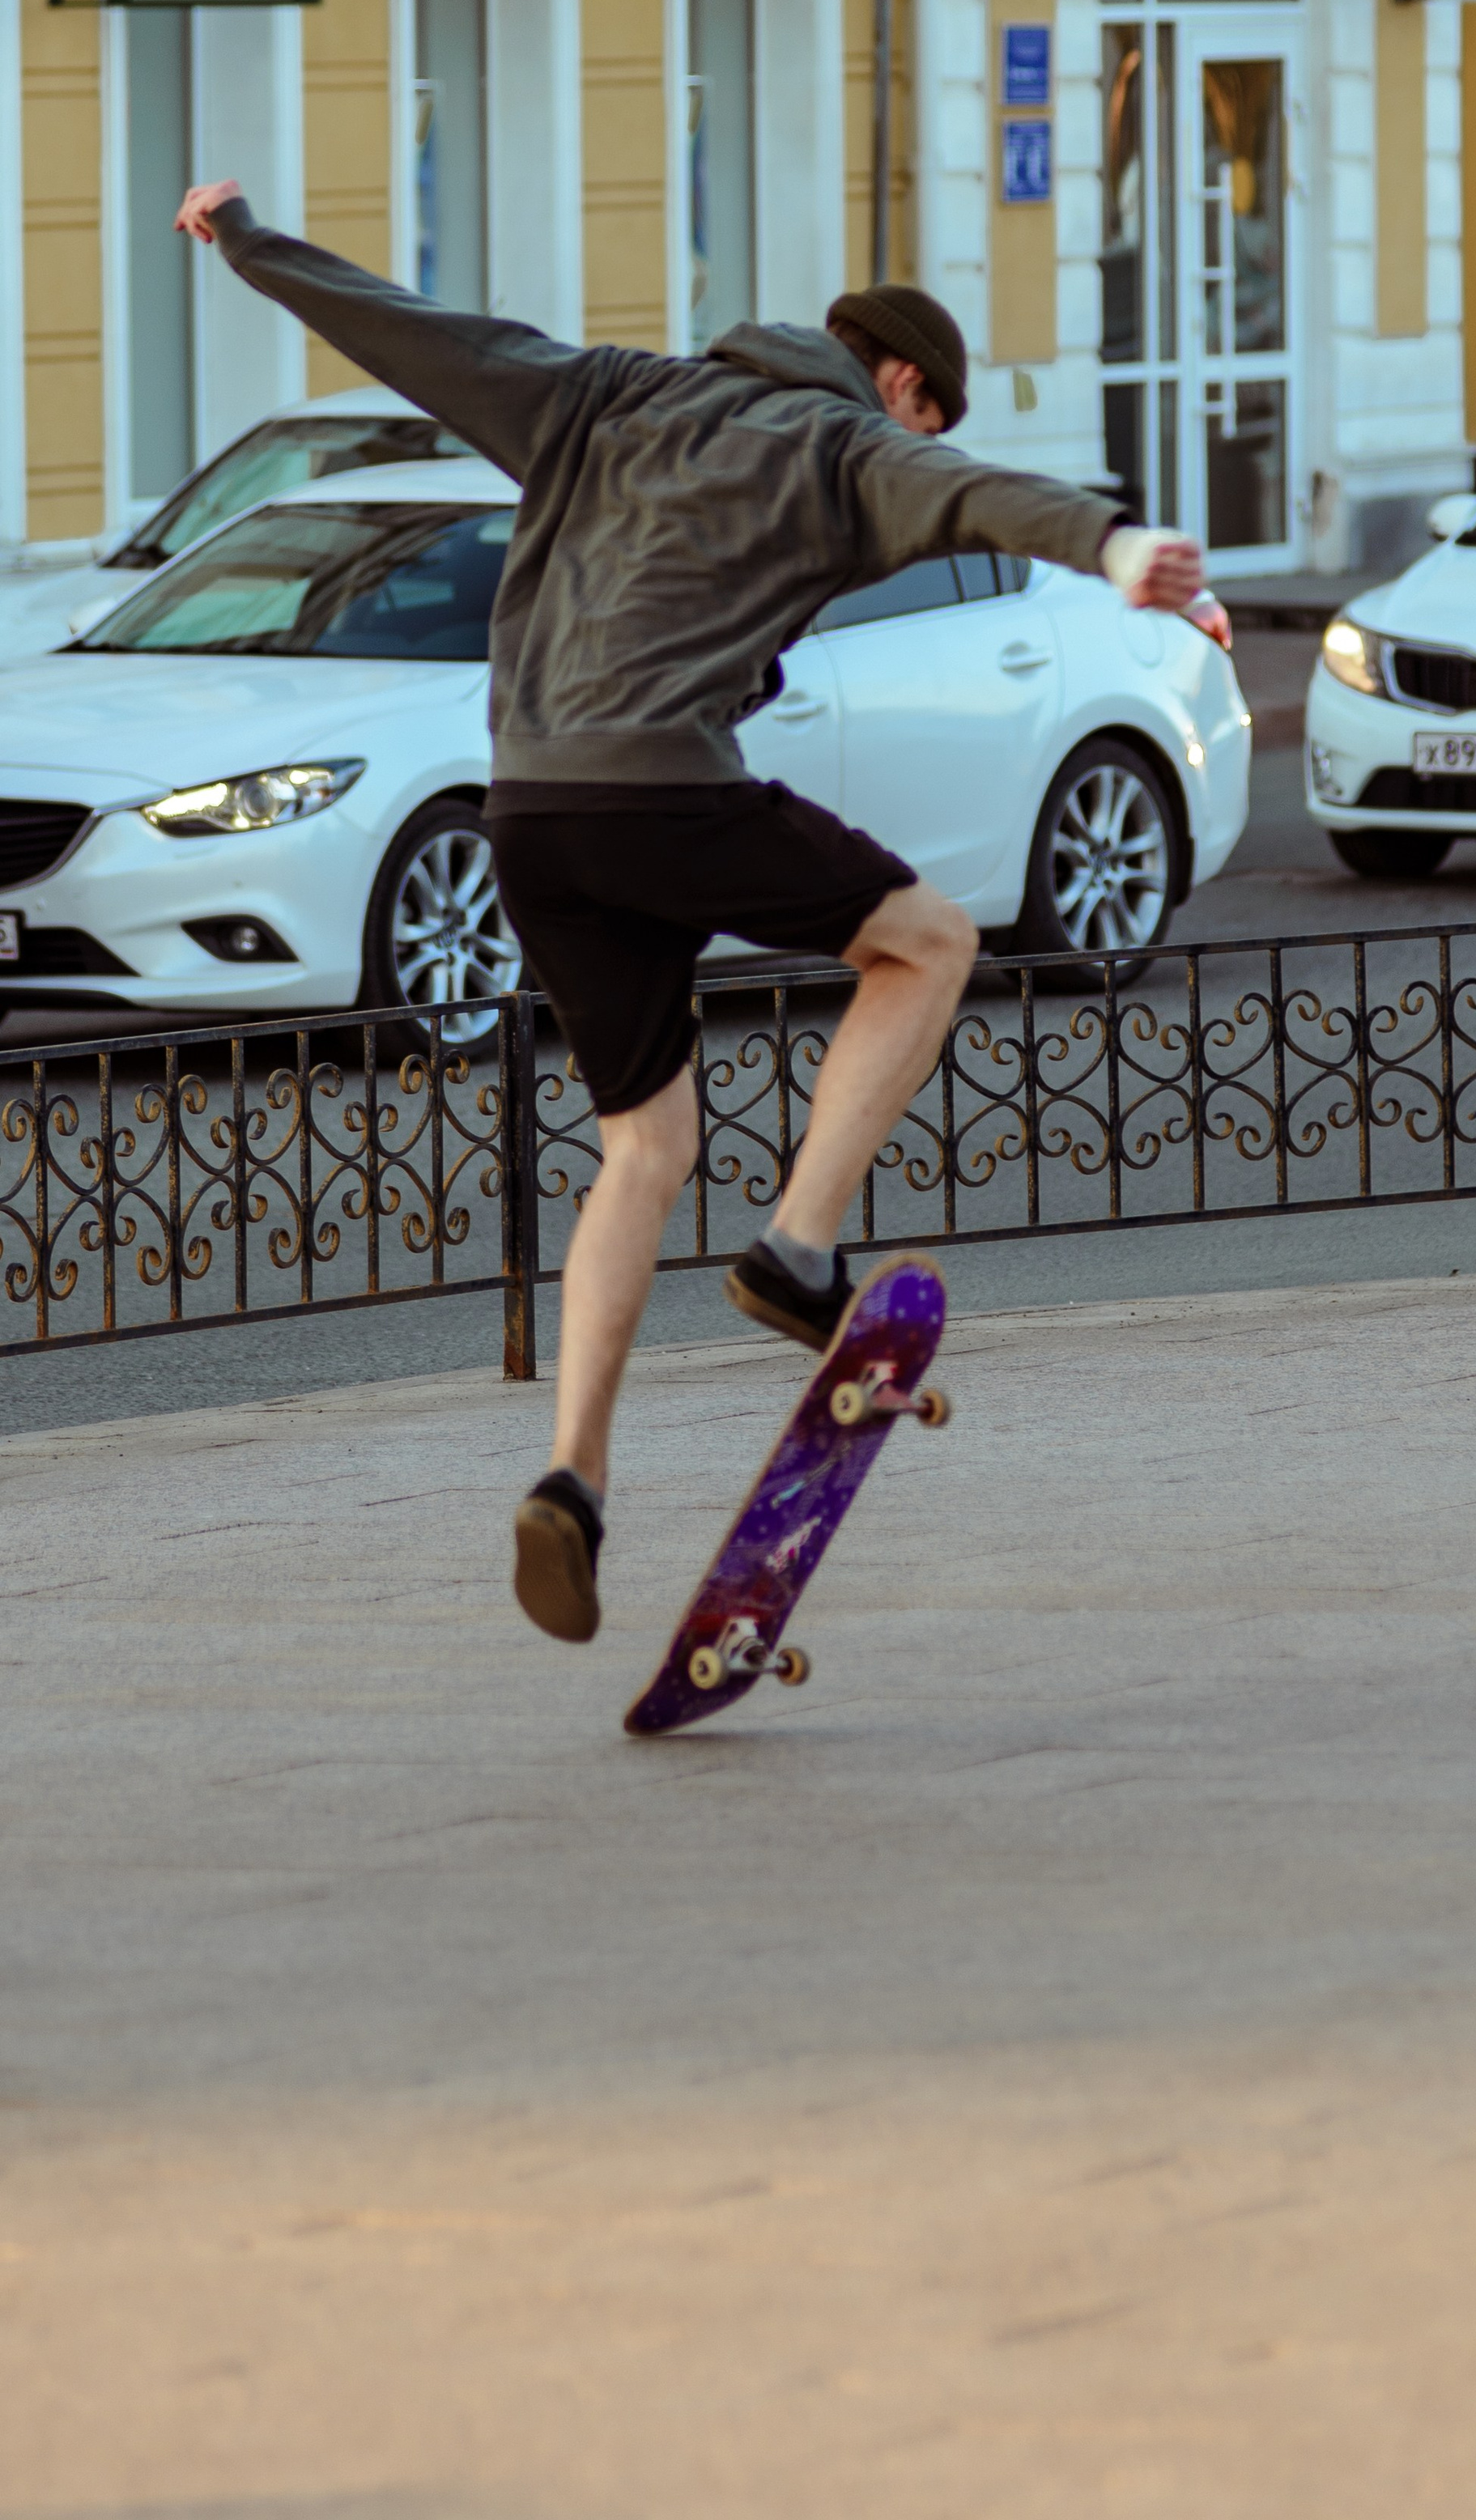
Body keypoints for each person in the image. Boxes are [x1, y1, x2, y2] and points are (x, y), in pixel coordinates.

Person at [174, 180, 1204, 1647]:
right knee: (932, 939)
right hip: (665, 791)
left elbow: (413, 336)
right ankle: (794, 1249)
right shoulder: (853, 441)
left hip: (528, 814)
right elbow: (978, 499)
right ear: (901, 380)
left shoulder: (600, 392)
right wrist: (1110, 548)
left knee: (642, 1146)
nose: (925, 445)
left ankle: (571, 1481)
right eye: (931, 416)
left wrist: (252, 242)